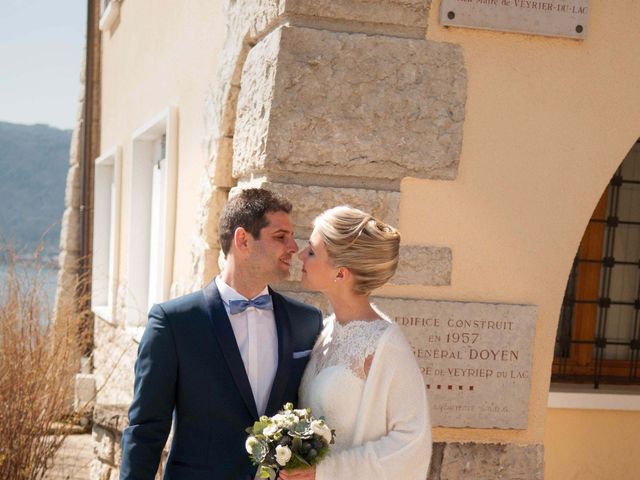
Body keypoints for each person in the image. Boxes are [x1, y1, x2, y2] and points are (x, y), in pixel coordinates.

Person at [120, 188, 323, 480]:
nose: (293, 246)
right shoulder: (173, 323)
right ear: (243, 240)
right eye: (280, 237)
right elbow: (145, 428)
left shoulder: (307, 321)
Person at [280, 206, 432, 480]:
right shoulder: (325, 330)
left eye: (312, 252)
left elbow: (412, 443)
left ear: (341, 273)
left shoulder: (386, 344)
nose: (301, 255)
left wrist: (327, 472)